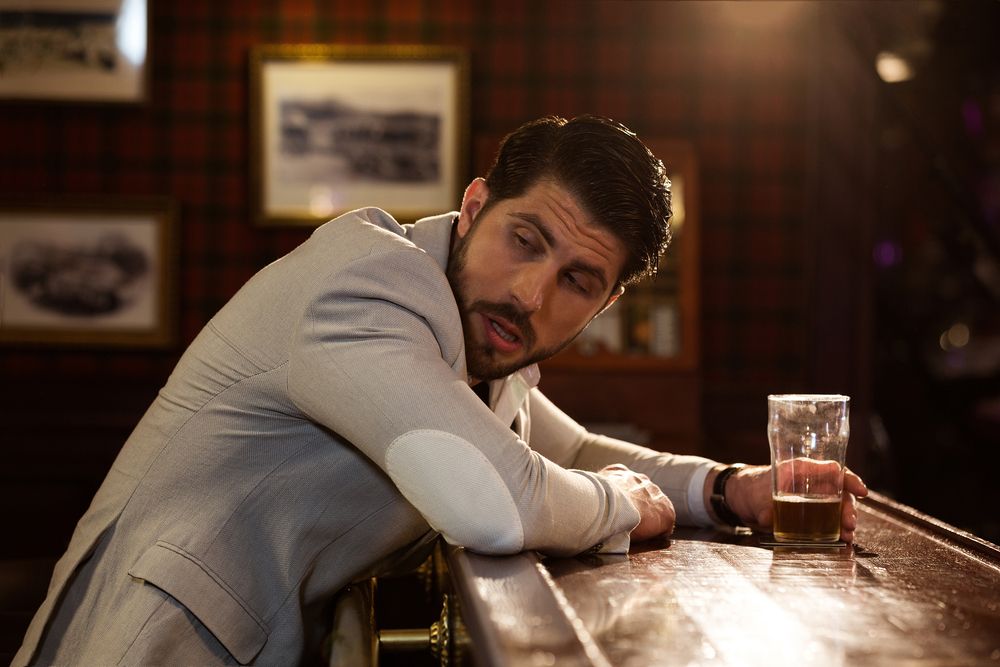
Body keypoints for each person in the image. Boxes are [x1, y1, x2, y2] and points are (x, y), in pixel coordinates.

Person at [13, 115, 867, 666]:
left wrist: (724, 488)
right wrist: (617, 505)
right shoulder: (374, 282)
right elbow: (495, 502)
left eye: (577, 280)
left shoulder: (476, 340)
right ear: (474, 202)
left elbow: (564, 449)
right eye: (524, 239)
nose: (531, 294)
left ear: (606, 305)